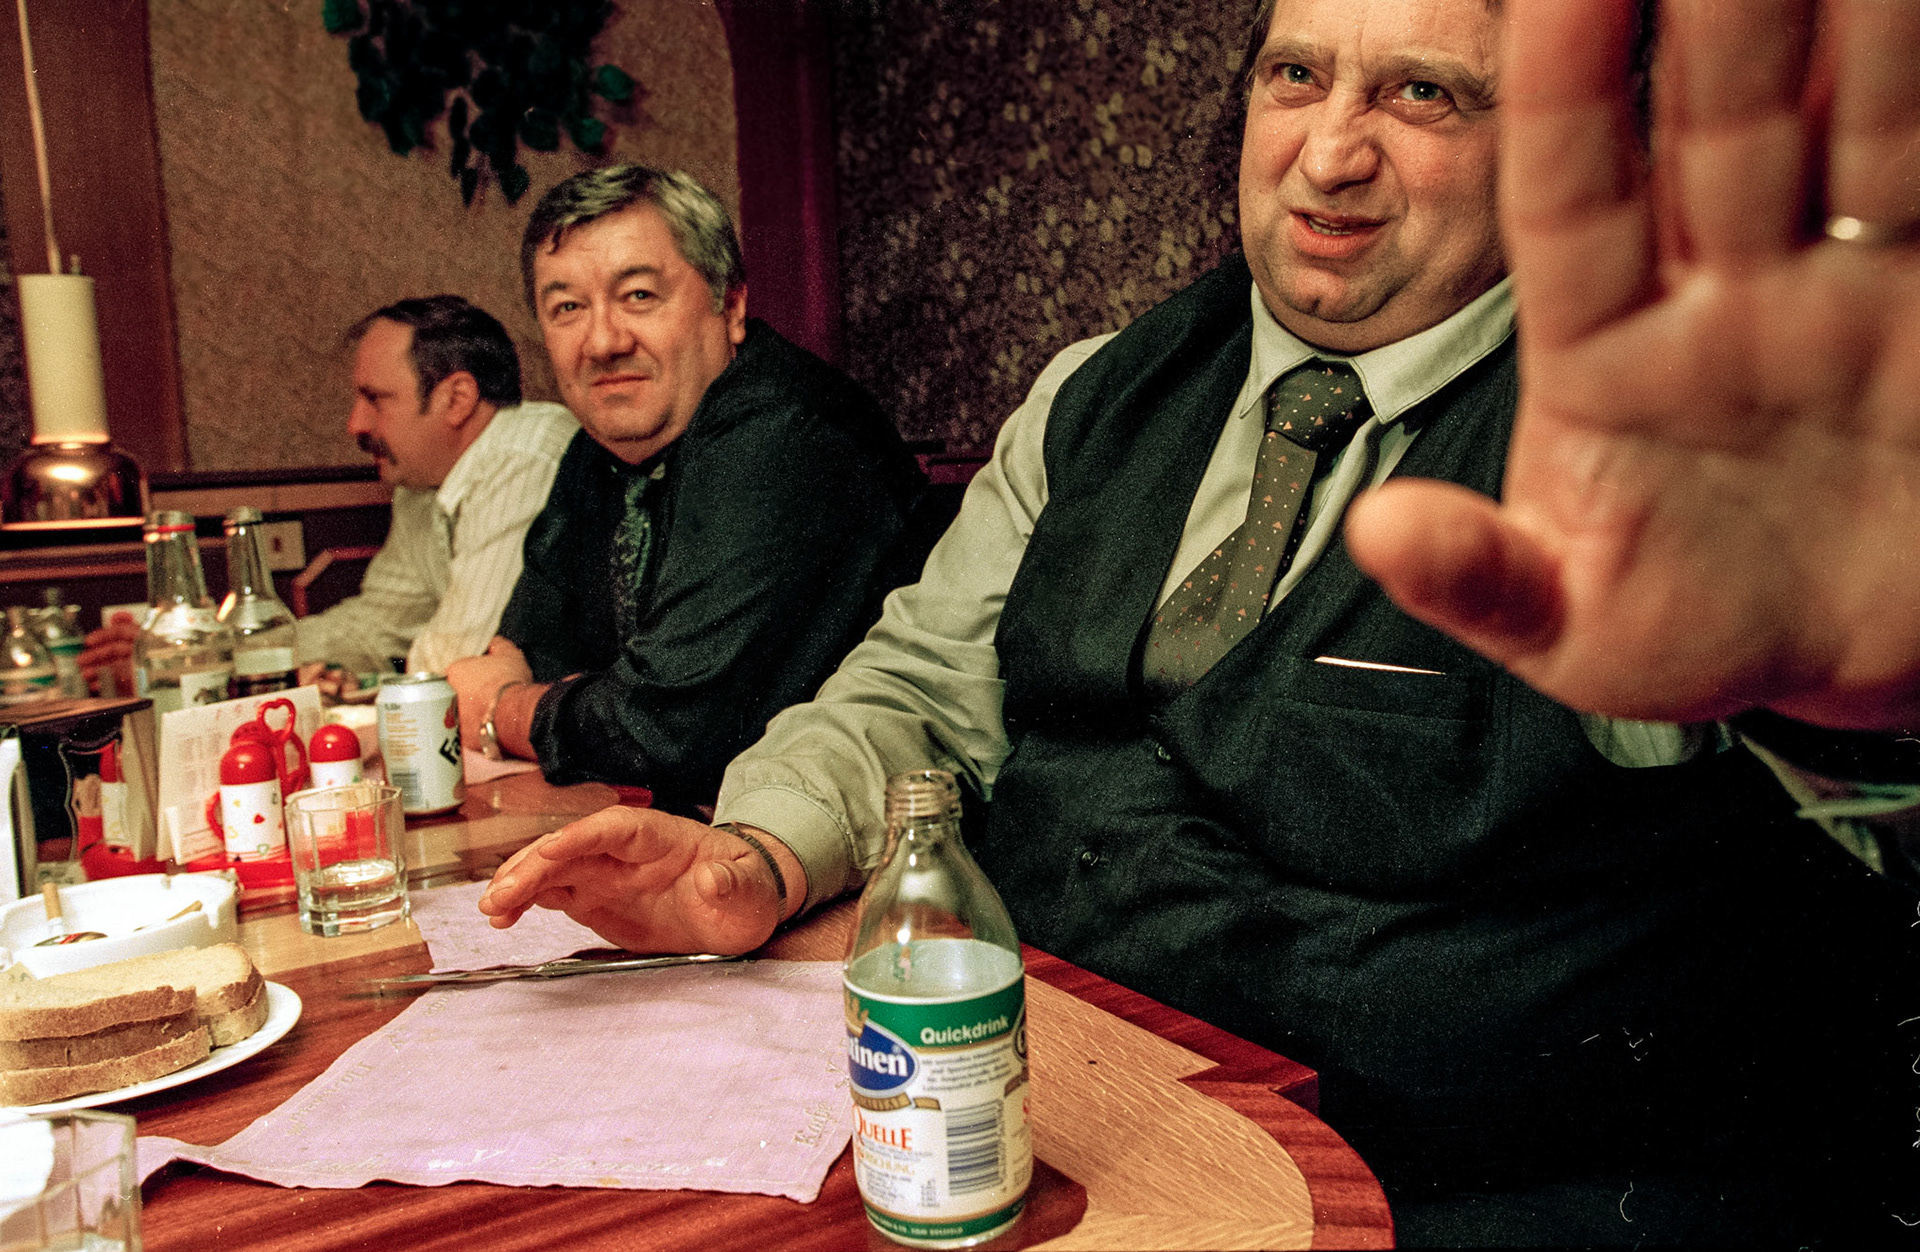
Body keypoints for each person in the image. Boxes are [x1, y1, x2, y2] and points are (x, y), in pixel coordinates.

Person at [476, 0, 1920, 1244]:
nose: (1331, 151)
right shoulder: (1092, 391)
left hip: (1490, 1191)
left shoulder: (1657, 437)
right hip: (1080, 1110)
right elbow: (919, 689)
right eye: (1297, 76)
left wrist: (1845, 706)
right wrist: (756, 853)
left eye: (1422, 94)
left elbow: (1839, 795)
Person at [444, 167, 923, 816]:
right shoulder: (601, 445)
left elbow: (662, 731)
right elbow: (527, 645)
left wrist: (501, 713)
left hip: (860, 836)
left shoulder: (782, 433)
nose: (603, 342)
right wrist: (551, 697)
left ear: (731, 306)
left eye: (638, 296)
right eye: (567, 308)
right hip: (700, 824)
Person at [79, 296, 578, 684]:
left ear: (457, 399)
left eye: (375, 399)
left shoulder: (523, 458)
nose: (355, 424)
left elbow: (459, 657)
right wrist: (205, 652)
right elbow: (376, 625)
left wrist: (333, 683)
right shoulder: (425, 481)